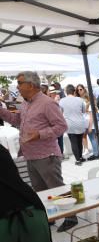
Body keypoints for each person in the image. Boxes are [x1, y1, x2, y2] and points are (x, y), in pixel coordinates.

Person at [0, 72, 75, 233]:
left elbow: (62, 126)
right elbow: (17, 120)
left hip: (46, 155)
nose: (17, 86)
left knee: (56, 188)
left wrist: (39, 134)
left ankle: (71, 216)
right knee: (41, 191)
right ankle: (50, 216)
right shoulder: (27, 103)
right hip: (30, 154)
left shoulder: (47, 103)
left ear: (31, 85)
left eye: (20, 83)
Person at [59, 84, 88, 166]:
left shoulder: (62, 101)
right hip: (80, 123)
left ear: (66, 92)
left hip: (69, 124)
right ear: (74, 91)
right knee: (79, 141)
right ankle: (81, 157)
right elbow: (83, 111)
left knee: (73, 142)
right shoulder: (80, 100)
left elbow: (60, 113)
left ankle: (78, 159)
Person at [76, 84, 99, 161]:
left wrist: (90, 126)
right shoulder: (80, 99)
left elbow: (91, 114)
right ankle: (97, 152)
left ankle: (96, 154)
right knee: (92, 138)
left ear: (84, 89)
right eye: (78, 90)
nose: (79, 91)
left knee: (92, 138)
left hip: (89, 122)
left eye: (80, 89)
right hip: (86, 122)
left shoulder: (88, 100)